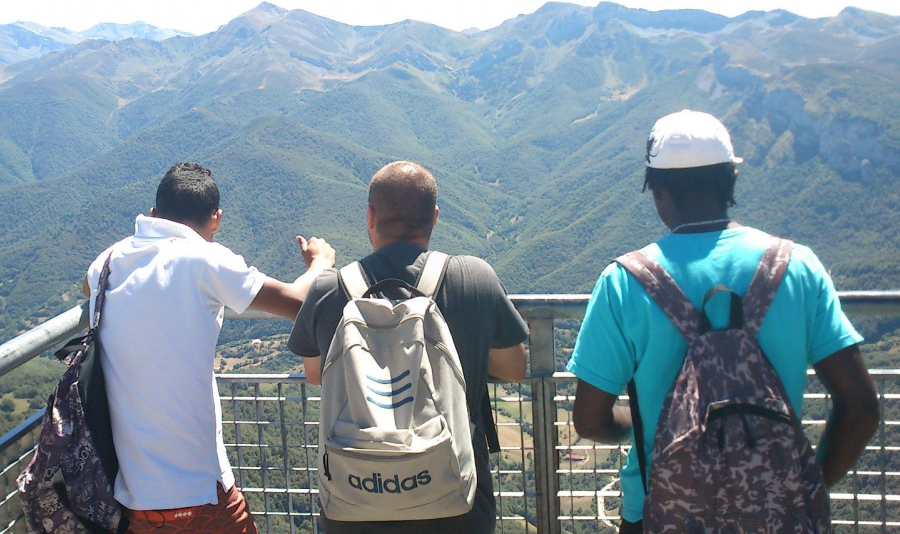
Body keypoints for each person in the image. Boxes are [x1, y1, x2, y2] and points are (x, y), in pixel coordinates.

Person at [567, 109, 880, 533]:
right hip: (776, 515)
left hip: (660, 513)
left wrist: (630, 426)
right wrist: (802, 488)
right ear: (731, 180)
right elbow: (861, 406)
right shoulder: (798, 267)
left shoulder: (623, 283)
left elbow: (589, 420)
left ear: (655, 190)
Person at [82, 162, 335, 534]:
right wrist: (320, 263)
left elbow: (88, 289)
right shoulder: (204, 258)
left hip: (130, 494)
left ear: (153, 213)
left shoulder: (106, 261)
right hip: (196, 489)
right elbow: (300, 302)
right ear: (216, 219)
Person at [288, 160, 529, 534]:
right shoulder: (474, 278)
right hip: (456, 507)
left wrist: (320, 269)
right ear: (435, 217)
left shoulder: (329, 289)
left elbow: (316, 374)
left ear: (370, 216)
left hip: (355, 506)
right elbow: (514, 368)